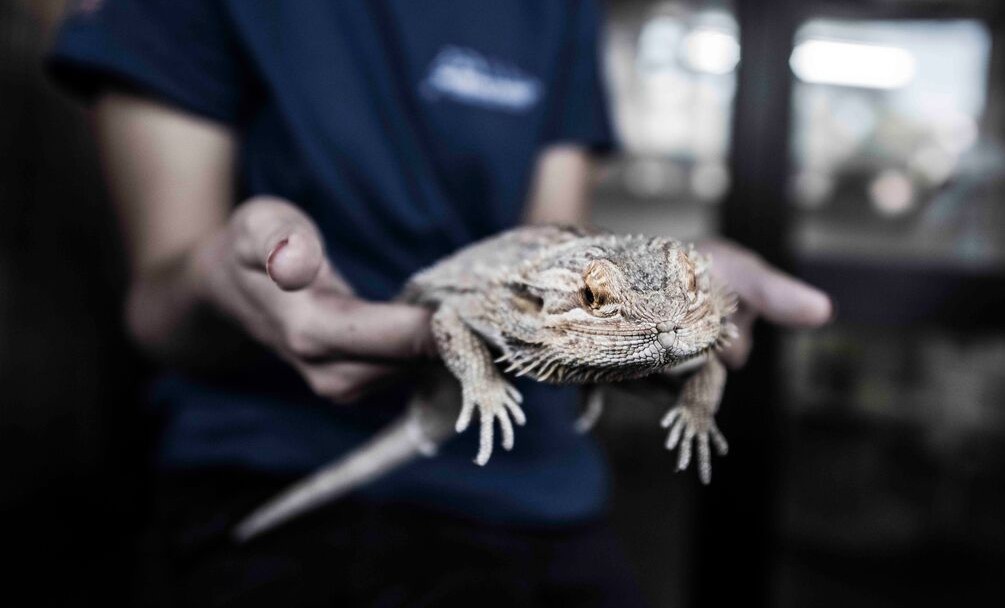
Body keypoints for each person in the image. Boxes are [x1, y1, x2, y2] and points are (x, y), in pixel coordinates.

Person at [48, 0, 832, 605]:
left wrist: (671, 296)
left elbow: (561, 244)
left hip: (540, 478)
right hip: (271, 454)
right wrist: (223, 274)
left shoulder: (556, 10)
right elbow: (158, 302)